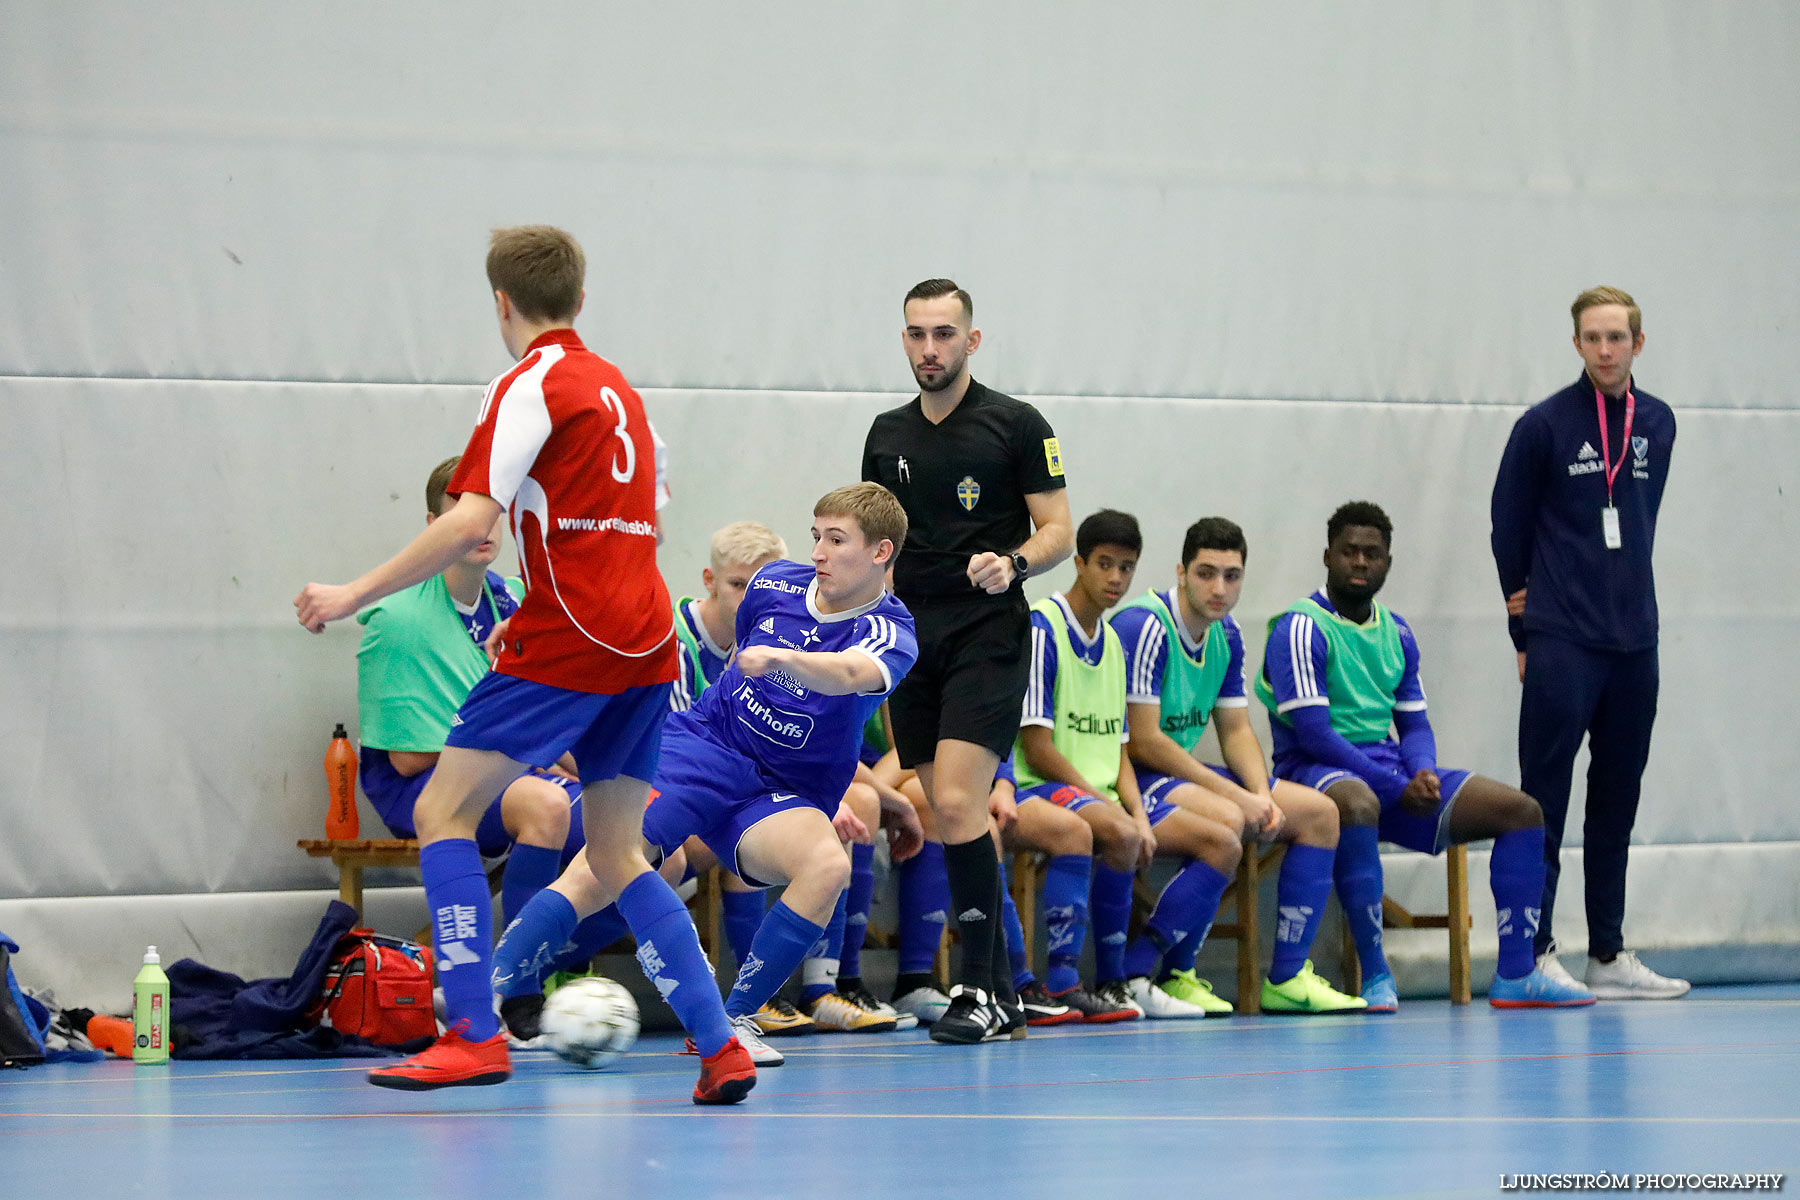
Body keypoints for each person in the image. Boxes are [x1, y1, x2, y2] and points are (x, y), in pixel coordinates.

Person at [296, 225, 754, 1103]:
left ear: (500, 303)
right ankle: (719, 1046)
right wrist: (539, 612)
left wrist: (355, 592)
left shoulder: (527, 383)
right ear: (580, 299)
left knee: (440, 808)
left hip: (580, 634)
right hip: (647, 634)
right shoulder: (623, 393)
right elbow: (630, 531)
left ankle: (472, 1031)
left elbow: (472, 522)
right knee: (621, 852)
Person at [488, 484, 922, 1069]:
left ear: (880, 553)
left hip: (782, 789)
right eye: (816, 535)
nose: (818, 551)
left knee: (826, 865)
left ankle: (732, 1021)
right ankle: (484, 993)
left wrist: (784, 660)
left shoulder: (892, 630)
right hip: (704, 748)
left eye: (836, 540)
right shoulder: (775, 585)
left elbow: (848, 673)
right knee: (606, 861)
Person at [1257, 501, 1595, 1010]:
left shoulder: (1398, 631)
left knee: (1523, 813)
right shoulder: (1300, 626)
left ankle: (1516, 974)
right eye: (1349, 551)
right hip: (1316, 774)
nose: (1360, 563)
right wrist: (1398, 787)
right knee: (1359, 803)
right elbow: (1314, 736)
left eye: (1373, 554)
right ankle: (1375, 975)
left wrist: (1422, 773)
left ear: (1388, 562)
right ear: (1326, 556)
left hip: (1389, 774)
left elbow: (1414, 724)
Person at [862, 278, 1074, 1043]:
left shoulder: (1017, 425)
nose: (929, 349)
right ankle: (1005, 998)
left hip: (988, 631)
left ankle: (982, 990)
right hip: (912, 638)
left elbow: (1058, 530)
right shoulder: (886, 434)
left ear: (971, 341)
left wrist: (1013, 564)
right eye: (916, 334)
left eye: (944, 334)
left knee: (955, 801)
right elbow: (878, 546)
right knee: (941, 802)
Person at [1490, 287, 1688, 1000]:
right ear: (1576, 345)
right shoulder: (1543, 426)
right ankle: (1533, 952)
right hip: (1562, 636)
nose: (1605, 350)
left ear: (1639, 341)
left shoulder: (1658, 424)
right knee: (1542, 794)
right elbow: (1507, 529)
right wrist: (1525, 628)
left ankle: (1608, 950)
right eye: (1592, 338)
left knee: (1618, 792)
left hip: (1634, 639)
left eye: (1617, 337)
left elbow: (1637, 521)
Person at [1110, 517, 1363, 1014]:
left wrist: (1261, 792)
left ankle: (1286, 978)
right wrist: (1238, 797)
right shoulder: (1146, 626)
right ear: (1180, 572)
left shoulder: (1226, 633)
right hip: (1132, 777)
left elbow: (1236, 731)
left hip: (1178, 773)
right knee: (1231, 818)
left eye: (1232, 576)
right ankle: (1149, 970)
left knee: (1318, 813)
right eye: (1206, 573)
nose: (1219, 588)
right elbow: (1144, 741)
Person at [1015, 510, 1247, 1021]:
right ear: (1078, 563)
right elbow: (1037, 748)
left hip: (1100, 795)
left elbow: (1120, 750)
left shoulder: (1115, 644)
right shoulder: (1041, 628)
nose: (1116, 579)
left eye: (1126, 567)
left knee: (1210, 840)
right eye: (1104, 564)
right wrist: (1108, 807)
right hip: (1039, 787)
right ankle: (1064, 983)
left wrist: (1137, 813)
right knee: (1113, 832)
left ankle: (1127, 978)